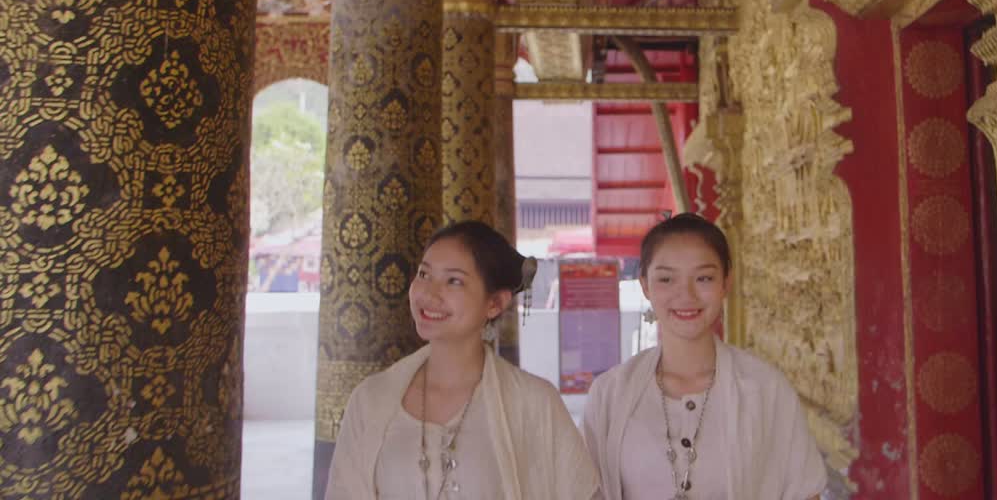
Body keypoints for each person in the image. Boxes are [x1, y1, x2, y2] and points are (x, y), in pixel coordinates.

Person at [325, 220, 601, 499]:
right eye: (424, 274)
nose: (429, 293)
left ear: (494, 303)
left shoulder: (534, 402)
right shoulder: (371, 399)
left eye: (454, 281)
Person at [583, 213, 827, 500]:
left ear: (726, 281)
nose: (686, 295)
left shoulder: (765, 389)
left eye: (704, 278)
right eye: (666, 278)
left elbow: (803, 492)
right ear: (645, 285)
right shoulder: (611, 394)